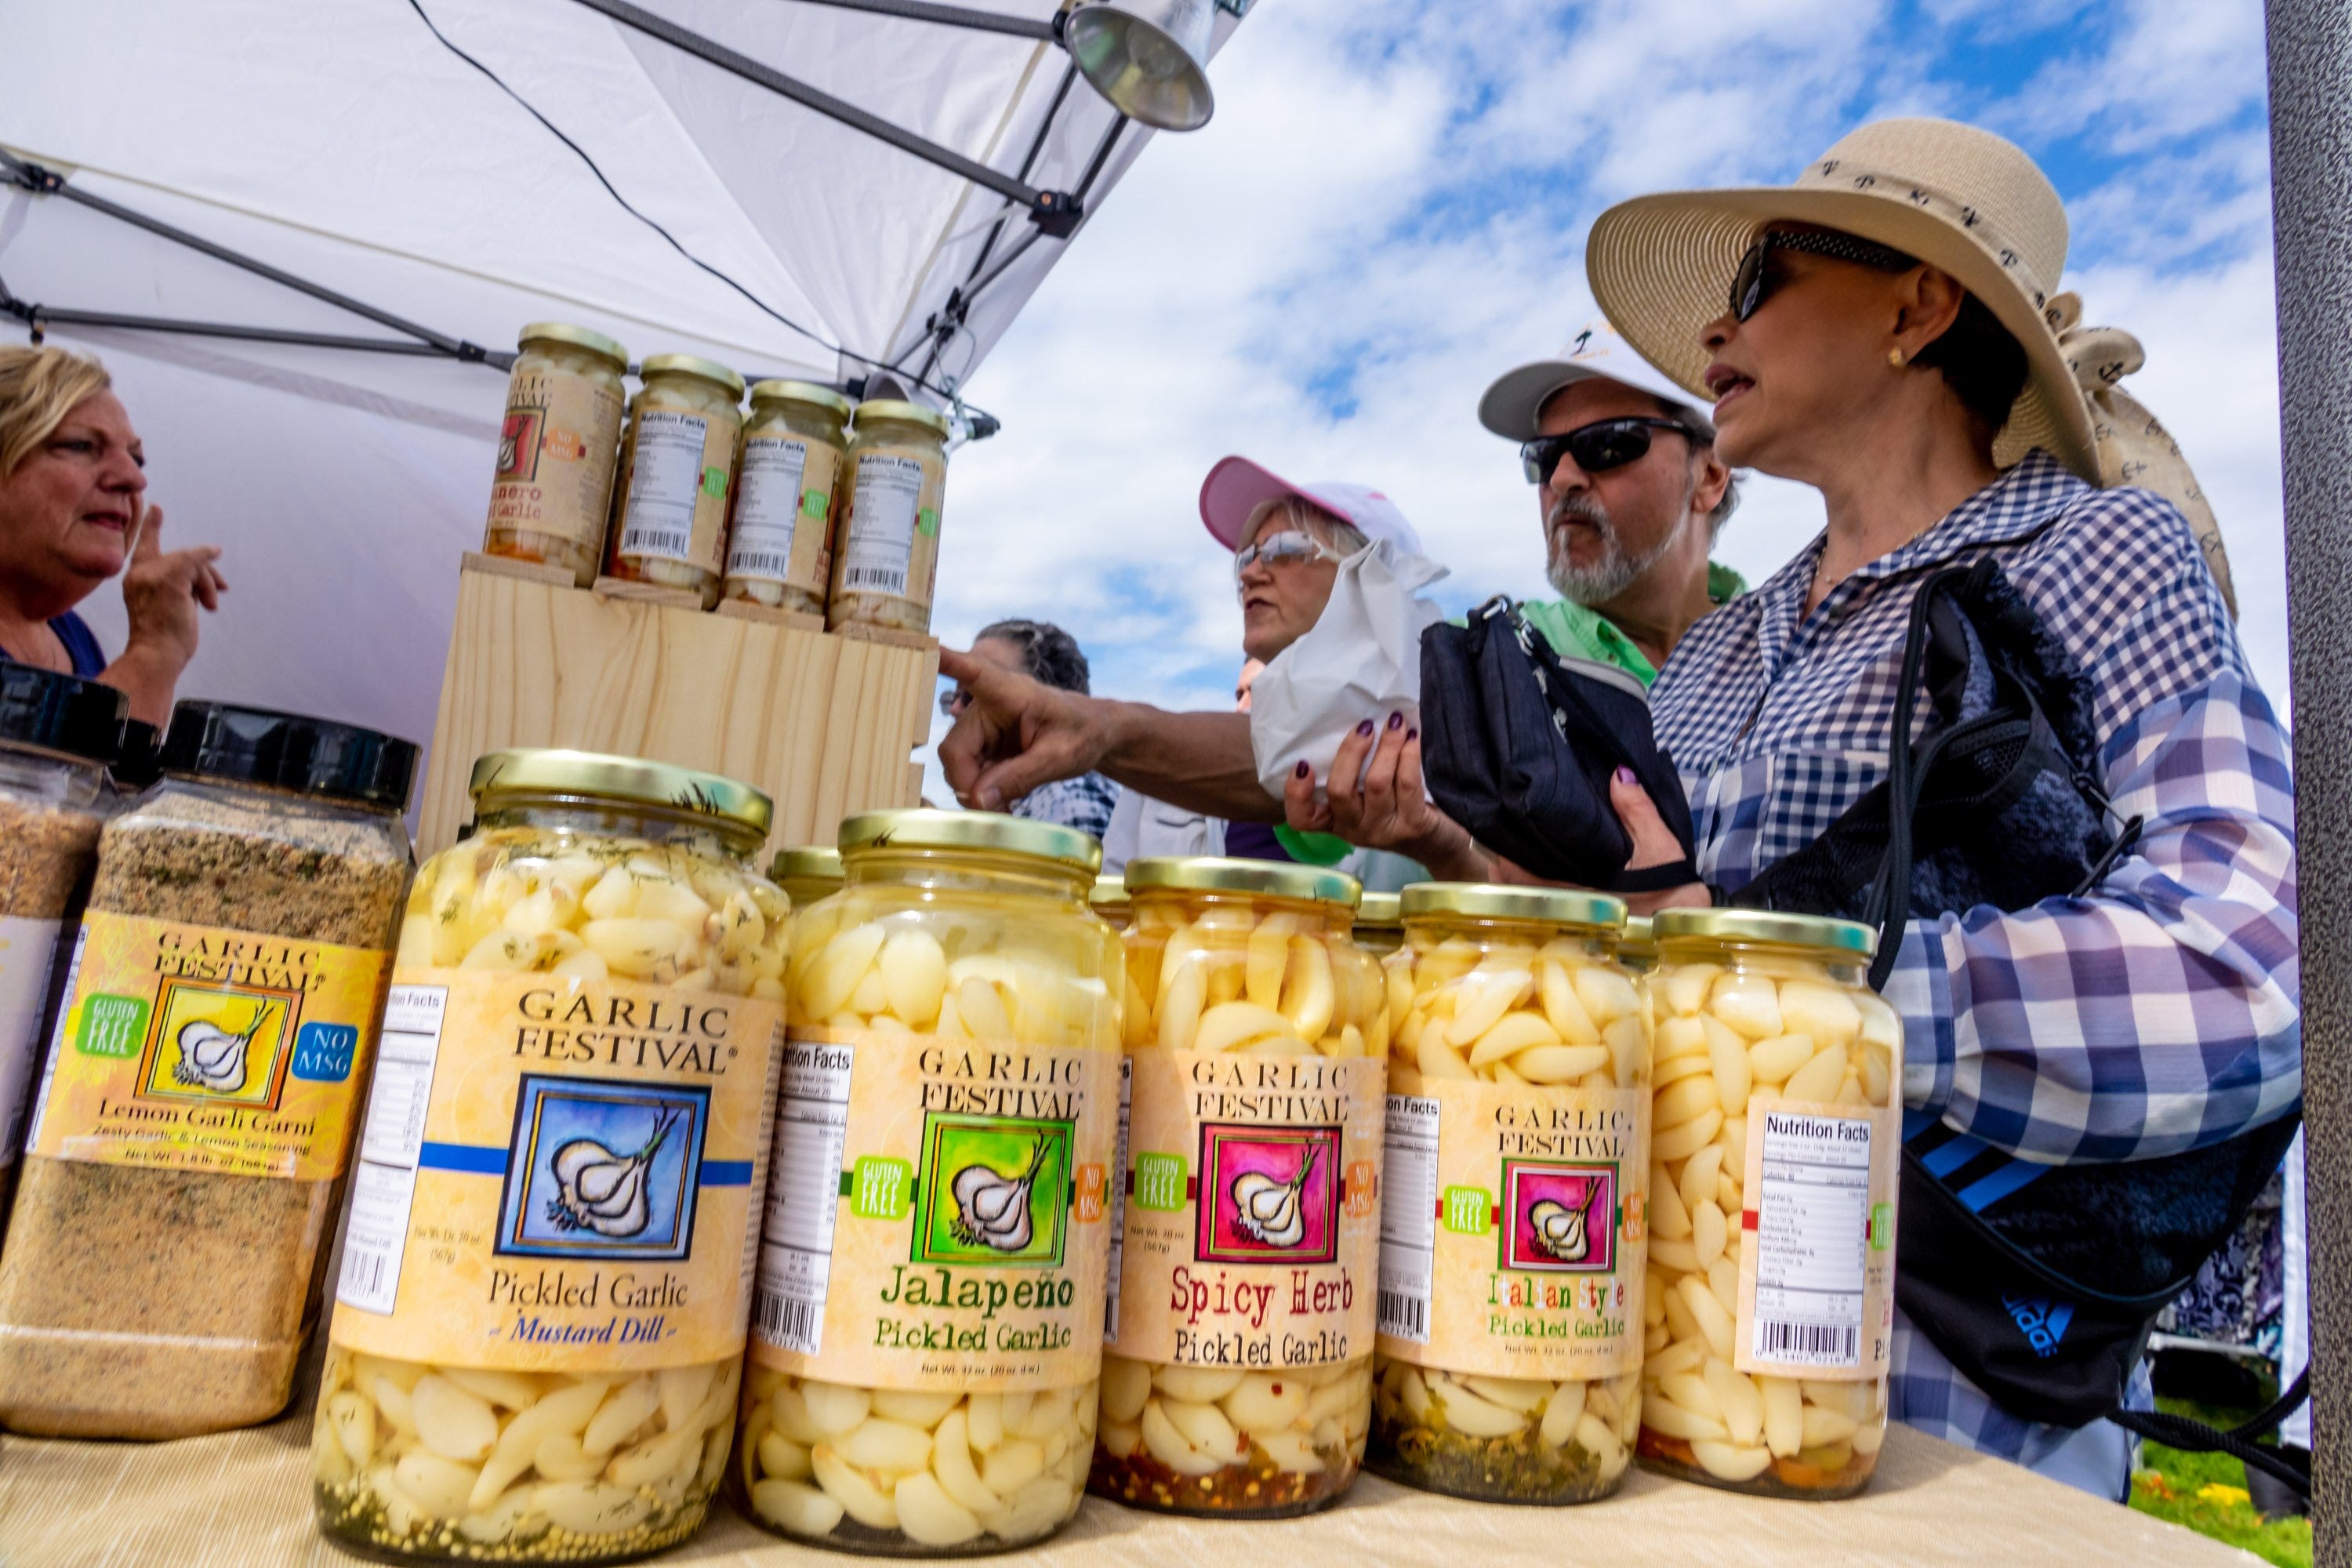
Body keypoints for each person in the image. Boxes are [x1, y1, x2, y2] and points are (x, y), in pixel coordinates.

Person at [1582, 117, 2299, 1495]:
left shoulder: (2095, 552)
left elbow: (2251, 959)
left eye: (1761, 283)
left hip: (1957, 1419)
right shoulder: (1719, 647)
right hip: (1667, 1374)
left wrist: (1816, 1002)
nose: (1717, 329)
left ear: (1917, 307)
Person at [1283, 320, 1743, 873]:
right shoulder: (1485, 655)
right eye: (1543, 457)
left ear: (1710, 475)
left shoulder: (1796, 653)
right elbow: (1295, 741)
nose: (1563, 478)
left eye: (1608, 443)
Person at [0, 346, 225, 725]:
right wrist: (154, 650)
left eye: (136, 458)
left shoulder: (72, 636)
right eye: (80, 445)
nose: (133, 478)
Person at [939, 619, 1118, 840]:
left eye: (975, 694)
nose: (955, 708)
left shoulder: (1072, 798)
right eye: (953, 697)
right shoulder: (1031, 802)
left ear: (1046, 703)